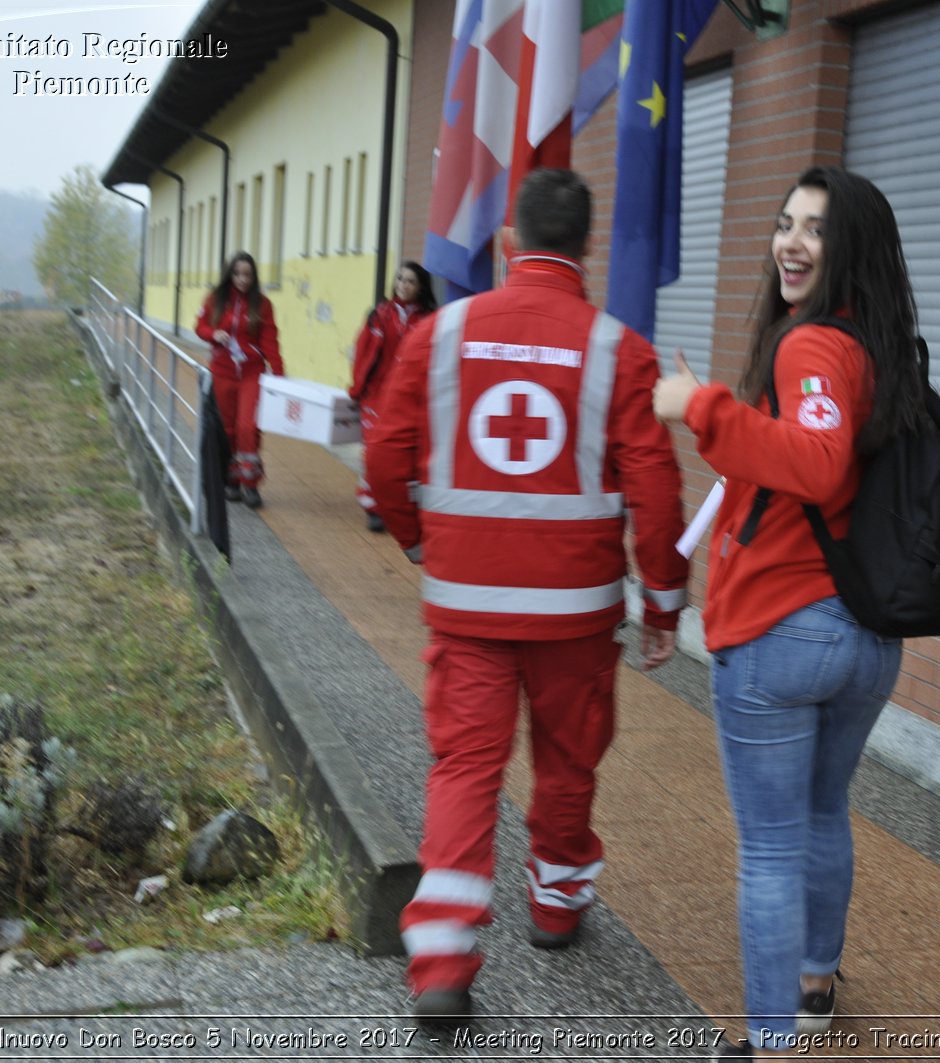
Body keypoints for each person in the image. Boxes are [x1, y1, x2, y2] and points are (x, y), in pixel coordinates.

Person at [367, 168, 689, 1025]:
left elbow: (385, 448)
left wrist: (415, 536)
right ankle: (556, 902)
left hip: (466, 606)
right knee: (568, 757)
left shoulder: (438, 333)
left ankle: (440, 955)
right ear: (586, 245)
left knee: (466, 767)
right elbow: (656, 491)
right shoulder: (623, 350)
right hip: (575, 613)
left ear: (509, 240)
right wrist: (662, 604)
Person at [653, 166, 925, 1058]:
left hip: (782, 630)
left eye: (815, 228)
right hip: (864, 636)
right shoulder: (882, 347)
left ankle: (774, 1041)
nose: (790, 242)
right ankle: (814, 983)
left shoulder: (810, 347)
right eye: (785, 223)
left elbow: (813, 462)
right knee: (822, 812)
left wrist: (698, 404)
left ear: (850, 250)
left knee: (770, 848)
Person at [351, 261, 438, 532]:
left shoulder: (429, 320)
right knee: (374, 453)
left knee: (406, 456)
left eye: (410, 281)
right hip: (376, 395)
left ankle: (402, 507)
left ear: (421, 286)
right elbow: (363, 353)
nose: (403, 285)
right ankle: (373, 507)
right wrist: (357, 389)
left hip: (410, 398)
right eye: (400, 279)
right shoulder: (379, 315)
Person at [196, 251, 283, 509]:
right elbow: (199, 326)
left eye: (247, 274)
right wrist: (214, 333)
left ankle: (251, 484)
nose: (242, 279)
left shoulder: (263, 305)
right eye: (237, 274)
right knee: (228, 429)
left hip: (251, 374)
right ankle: (232, 480)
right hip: (222, 372)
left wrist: (279, 375)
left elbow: (270, 341)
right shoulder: (215, 299)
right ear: (229, 275)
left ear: (254, 277)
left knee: (248, 426)